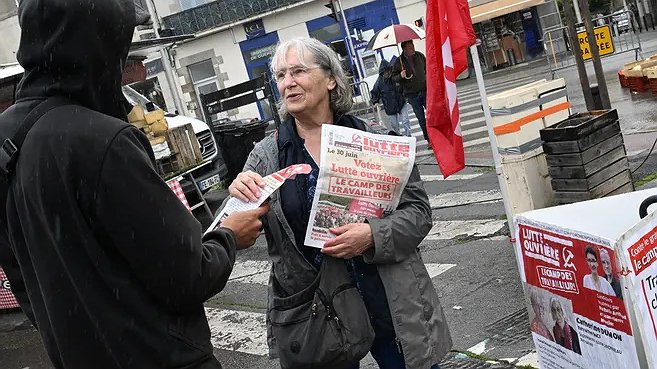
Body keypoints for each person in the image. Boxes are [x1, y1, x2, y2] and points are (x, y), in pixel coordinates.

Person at [0, 1, 267, 368]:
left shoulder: (8, 138)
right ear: (100, 43)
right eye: (123, 40)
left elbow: (20, 274)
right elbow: (188, 275)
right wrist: (229, 237)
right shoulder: (102, 140)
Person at [228, 37, 451, 369]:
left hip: (388, 298)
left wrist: (372, 236)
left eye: (299, 71)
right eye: (280, 75)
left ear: (330, 79)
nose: (287, 82)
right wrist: (238, 195)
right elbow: (237, 228)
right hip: (317, 312)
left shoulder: (378, 141)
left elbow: (418, 214)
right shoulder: (266, 155)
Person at [392, 40, 428, 142]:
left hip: (424, 91)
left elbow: (427, 68)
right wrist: (400, 76)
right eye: (410, 47)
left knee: (431, 115)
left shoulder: (419, 56)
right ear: (404, 49)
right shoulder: (399, 62)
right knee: (421, 118)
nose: (413, 48)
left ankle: (436, 136)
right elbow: (393, 78)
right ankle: (428, 138)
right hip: (412, 95)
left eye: (413, 46)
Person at [370, 59, 411, 137]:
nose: (388, 73)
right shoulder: (379, 82)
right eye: (386, 71)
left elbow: (404, 84)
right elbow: (374, 92)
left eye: (389, 70)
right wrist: (375, 101)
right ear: (382, 73)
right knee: (394, 125)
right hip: (390, 106)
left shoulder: (395, 76)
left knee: (405, 120)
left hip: (401, 101)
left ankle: (409, 136)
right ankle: (399, 137)